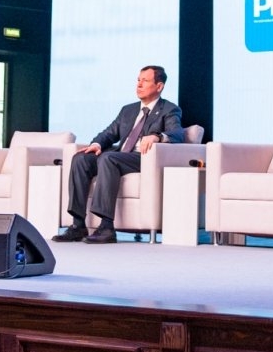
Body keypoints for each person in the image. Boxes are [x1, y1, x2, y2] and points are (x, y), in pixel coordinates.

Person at [52, 65, 185, 244]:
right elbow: (109, 132)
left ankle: (106, 227)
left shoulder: (169, 109)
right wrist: (96, 144)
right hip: (119, 155)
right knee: (81, 158)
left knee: (108, 159)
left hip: (142, 158)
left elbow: (178, 133)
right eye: (138, 80)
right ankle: (78, 225)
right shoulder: (128, 110)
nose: (139, 84)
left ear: (159, 86)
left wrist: (157, 136)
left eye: (145, 81)